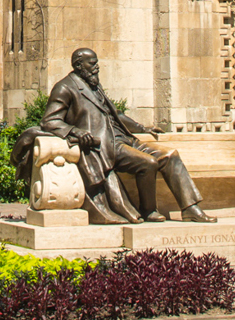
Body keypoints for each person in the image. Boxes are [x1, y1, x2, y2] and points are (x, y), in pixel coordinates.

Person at [27, 48, 216, 224]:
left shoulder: (94, 85)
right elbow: (50, 121)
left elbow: (116, 114)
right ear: (78, 66)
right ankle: (148, 210)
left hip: (123, 139)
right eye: (92, 63)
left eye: (96, 63)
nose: (97, 67)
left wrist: (142, 128)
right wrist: (76, 131)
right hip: (104, 146)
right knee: (148, 163)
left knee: (170, 155)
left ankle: (191, 208)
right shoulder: (65, 88)